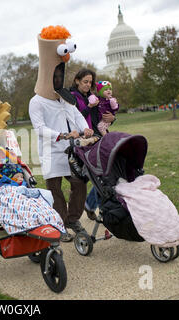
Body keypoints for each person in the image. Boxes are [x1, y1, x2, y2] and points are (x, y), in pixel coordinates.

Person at [29, 25, 94, 242]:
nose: (58, 79)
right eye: (55, 76)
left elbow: (76, 115)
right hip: (51, 151)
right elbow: (39, 128)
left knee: (79, 183)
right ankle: (60, 224)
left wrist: (85, 128)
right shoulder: (36, 102)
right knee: (55, 190)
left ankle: (72, 218)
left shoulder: (65, 96)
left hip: (71, 151)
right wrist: (62, 135)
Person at [70, 69, 116, 220]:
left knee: (105, 173)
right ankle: (91, 207)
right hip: (83, 140)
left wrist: (111, 118)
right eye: (85, 81)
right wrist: (89, 107)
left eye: (90, 82)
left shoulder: (92, 96)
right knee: (99, 174)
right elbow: (75, 119)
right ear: (77, 81)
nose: (88, 85)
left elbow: (100, 117)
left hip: (96, 137)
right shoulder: (72, 97)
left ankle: (91, 205)